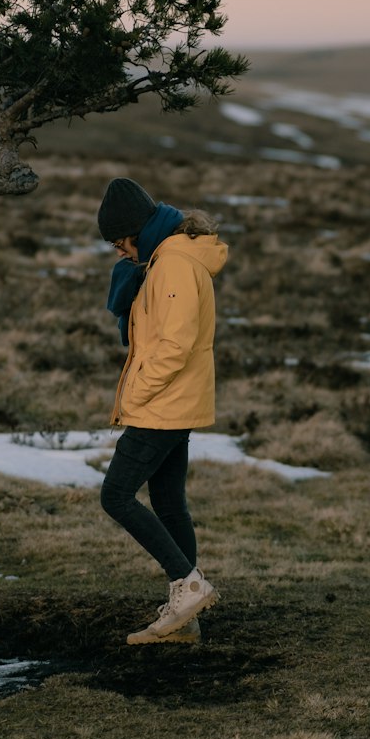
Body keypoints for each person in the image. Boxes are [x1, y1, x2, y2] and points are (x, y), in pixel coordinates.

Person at [97, 177, 227, 645]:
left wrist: (139, 395)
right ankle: (184, 617)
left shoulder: (171, 265)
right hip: (176, 401)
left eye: (117, 242)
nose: (117, 252)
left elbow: (174, 345)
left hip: (163, 404)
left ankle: (188, 587)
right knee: (169, 503)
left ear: (136, 231)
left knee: (115, 495)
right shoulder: (167, 259)